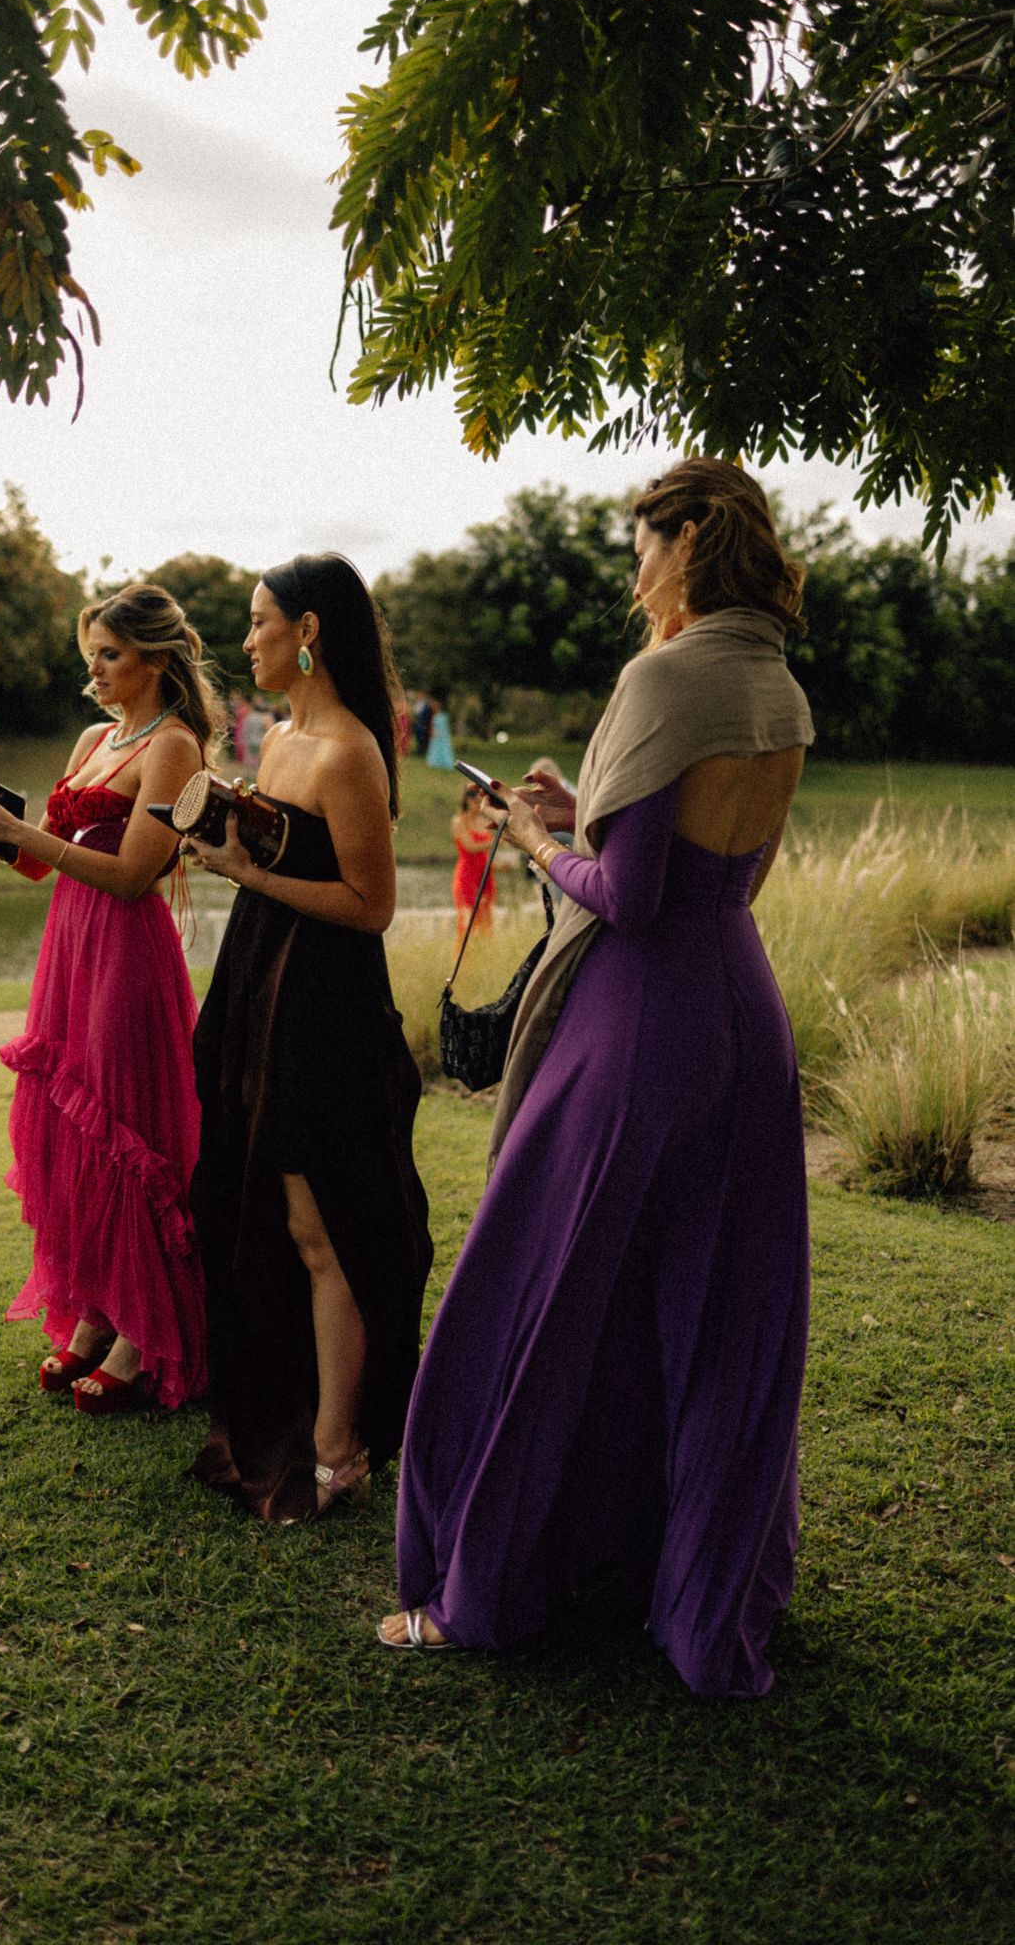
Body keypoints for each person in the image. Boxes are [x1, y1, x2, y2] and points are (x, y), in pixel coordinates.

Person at [380, 457, 815, 1699]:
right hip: (742, 1008)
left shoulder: (662, 674)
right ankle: (673, 1577)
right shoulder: (776, 683)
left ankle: (490, 1589)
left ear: (687, 545)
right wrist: (584, 820)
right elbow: (710, 875)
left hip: (637, 1023)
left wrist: (533, 841)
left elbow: (623, 896)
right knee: (714, 1308)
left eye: (642, 544)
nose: (635, 569)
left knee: (542, 1285)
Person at [0, 583, 222, 1415]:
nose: (93, 670)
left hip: (125, 953)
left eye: (109, 654)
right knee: (70, 1127)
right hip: (69, 947)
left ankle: (145, 1330)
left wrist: (26, 833)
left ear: (155, 659)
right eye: (89, 653)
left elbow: (136, 875)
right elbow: (38, 861)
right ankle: (95, 1310)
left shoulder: (173, 746)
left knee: (127, 1124)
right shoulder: (96, 737)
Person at [183, 552, 434, 1522]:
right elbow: (284, 852)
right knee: (266, 1212)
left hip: (323, 1003)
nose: (247, 641)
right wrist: (231, 836)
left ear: (310, 630)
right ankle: (292, 1409)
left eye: (259, 622)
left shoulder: (348, 752)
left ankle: (341, 1443)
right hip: (260, 976)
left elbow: (371, 907)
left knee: (323, 1226)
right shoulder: (281, 737)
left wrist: (248, 875)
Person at [451, 782, 497, 938]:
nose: (481, 807)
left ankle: (484, 956)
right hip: (467, 874)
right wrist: (495, 841)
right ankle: (465, 960)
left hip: (484, 873)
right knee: (468, 923)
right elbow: (470, 847)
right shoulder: (459, 822)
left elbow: (488, 853)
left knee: (486, 920)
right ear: (469, 802)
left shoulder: (484, 822)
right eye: (478, 803)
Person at [424, 697, 455, 770]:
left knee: (443, 748)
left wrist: (437, 733)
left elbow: (443, 728)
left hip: (440, 735)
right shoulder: (435, 716)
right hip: (436, 735)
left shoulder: (442, 716)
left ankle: (443, 762)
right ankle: (435, 762)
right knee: (435, 748)